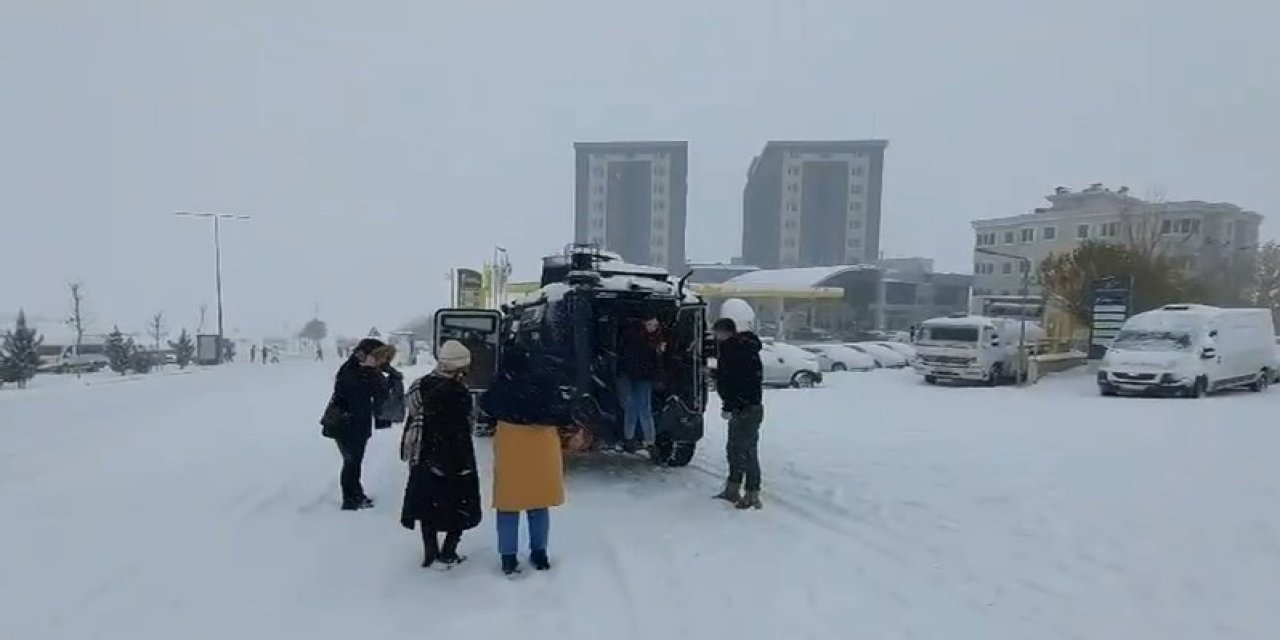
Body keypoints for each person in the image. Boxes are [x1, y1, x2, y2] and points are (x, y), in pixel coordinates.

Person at [480, 345, 565, 576]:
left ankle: (508, 558)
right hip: (542, 443)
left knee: (509, 503)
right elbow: (561, 410)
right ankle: (540, 554)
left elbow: (486, 406)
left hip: (511, 444)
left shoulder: (502, 383)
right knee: (539, 502)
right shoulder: (545, 380)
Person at [399, 340, 482, 568]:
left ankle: (430, 552)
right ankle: (448, 551)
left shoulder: (420, 385)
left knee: (428, 505)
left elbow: (414, 412)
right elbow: (467, 424)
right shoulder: (462, 392)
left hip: (425, 452)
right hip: (455, 455)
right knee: (458, 504)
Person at [325, 338, 391, 510]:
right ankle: (350, 499)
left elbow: (381, 392)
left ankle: (356, 493)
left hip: (358, 423)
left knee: (355, 461)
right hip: (344, 423)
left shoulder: (367, 371)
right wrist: (368, 372)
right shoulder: (349, 370)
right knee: (351, 462)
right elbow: (352, 394)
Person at [711, 317, 764, 510]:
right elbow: (734, 377)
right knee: (737, 450)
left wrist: (729, 405)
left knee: (744, 452)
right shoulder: (742, 349)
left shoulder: (733, 351)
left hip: (744, 408)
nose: (715, 337)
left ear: (724, 332)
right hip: (749, 407)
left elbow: (736, 381)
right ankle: (733, 490)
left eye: (716, 333)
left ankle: (751, 495)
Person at [616, 315, 665, 453]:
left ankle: (632, 438)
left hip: (635, 375)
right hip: (641, 376)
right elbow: (656, 360)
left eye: (655, 325)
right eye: (651, 325)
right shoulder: (653, 340)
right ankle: (648, 440)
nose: (653, 328)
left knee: (634, 408)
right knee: (642, 408)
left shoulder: (633, 337)